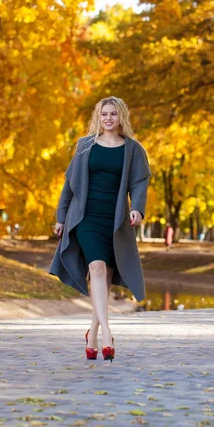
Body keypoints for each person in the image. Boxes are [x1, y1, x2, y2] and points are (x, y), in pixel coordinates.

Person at [49, 96, 151, 362]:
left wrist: (137, 208)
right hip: (85, 217)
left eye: (113, 114)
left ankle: (92, 332)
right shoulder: (85, 146)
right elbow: (69, 185)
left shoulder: (132, 149)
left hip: (114, 219)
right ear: (98, 117)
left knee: (105, 277)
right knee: (96, 267)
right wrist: (61, 217)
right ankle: (107, 332)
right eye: (104, 114)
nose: (108, 118)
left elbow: (140, 181)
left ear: (121, 118)